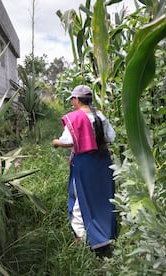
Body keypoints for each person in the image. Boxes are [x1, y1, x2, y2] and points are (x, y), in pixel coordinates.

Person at [52, 84, 116, 256]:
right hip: (102, 161)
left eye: (73, 99)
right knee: (102, 197)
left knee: (80, 197)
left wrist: (56, 143)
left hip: (85, 163)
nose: (72, 103)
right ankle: (106, 236)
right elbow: (111, 137)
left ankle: (82, 236)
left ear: (78, 100)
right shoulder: (100, 115)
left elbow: (68, 141)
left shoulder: (75, 118)